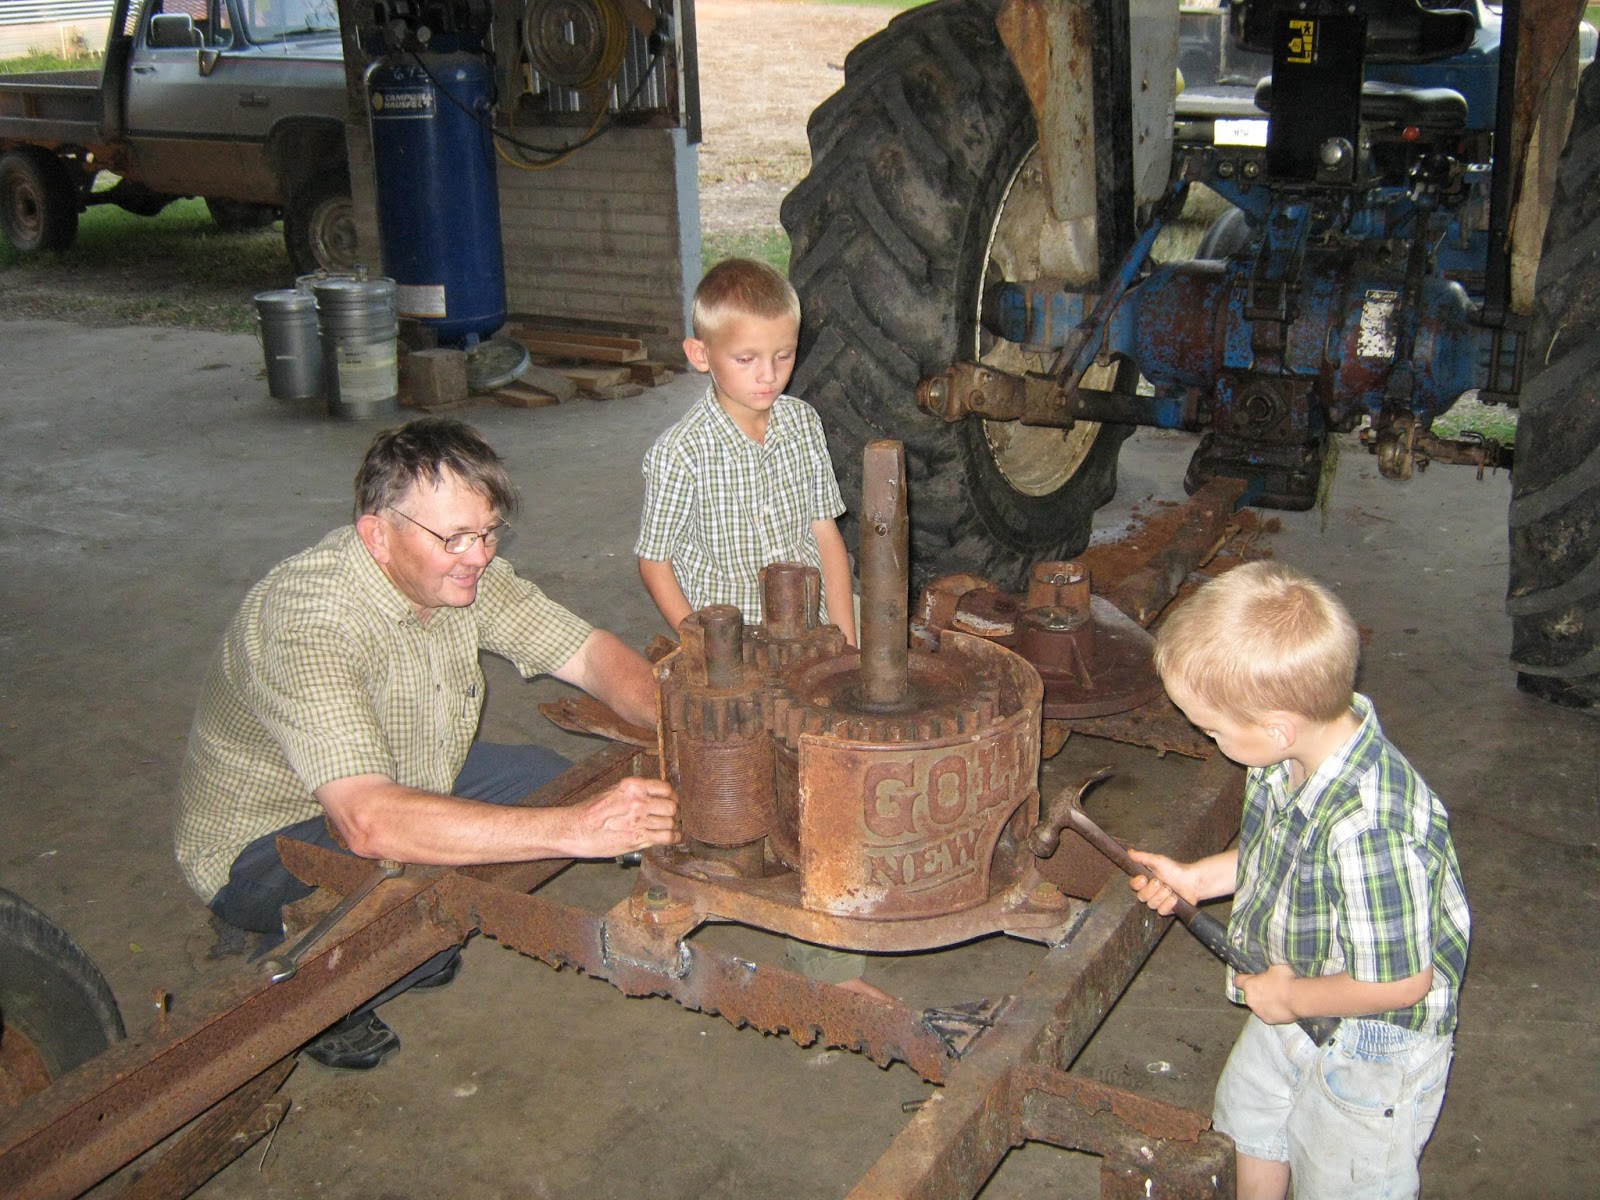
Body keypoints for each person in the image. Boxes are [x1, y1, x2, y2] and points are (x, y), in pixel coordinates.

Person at [175, 417, 678, 1070]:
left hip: (401, 773)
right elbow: (367, 820)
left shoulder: (458, 574)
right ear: (378, 535)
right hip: (268, 838)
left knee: (551, 782)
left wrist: (683, 719)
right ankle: (298, 970)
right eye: (456, 538)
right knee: (424, 922)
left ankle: (390, 943)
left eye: (489, 532)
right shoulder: (307, 621)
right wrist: (575, 830)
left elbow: (588, 655)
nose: (480, 555)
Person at [1125, 561, 1470, 1200]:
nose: (1208, 739)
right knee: (1251, 1121)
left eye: (1211, 730)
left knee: (1341, 1175)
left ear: (1276, 727)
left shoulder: (1371, 828)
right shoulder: (1288, 757)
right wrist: (1198, 877)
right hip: (1298, 985)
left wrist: (1291, 1000)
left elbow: (1399, 982)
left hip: (1373, 1041)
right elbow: (1281, 857)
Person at [634, 256, 885, 999]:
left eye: (783, 356)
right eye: (747, 359)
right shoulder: (680, 453)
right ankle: (802, 931)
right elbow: (653, 560)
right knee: (751, 777)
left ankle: (831, 932)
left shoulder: (802, 424)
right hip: (734, 651)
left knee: (829, 776)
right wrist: (703, 649)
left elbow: (826, 536)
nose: (768, 375)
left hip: (807, 637)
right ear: (699, 355)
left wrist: (846, 636)